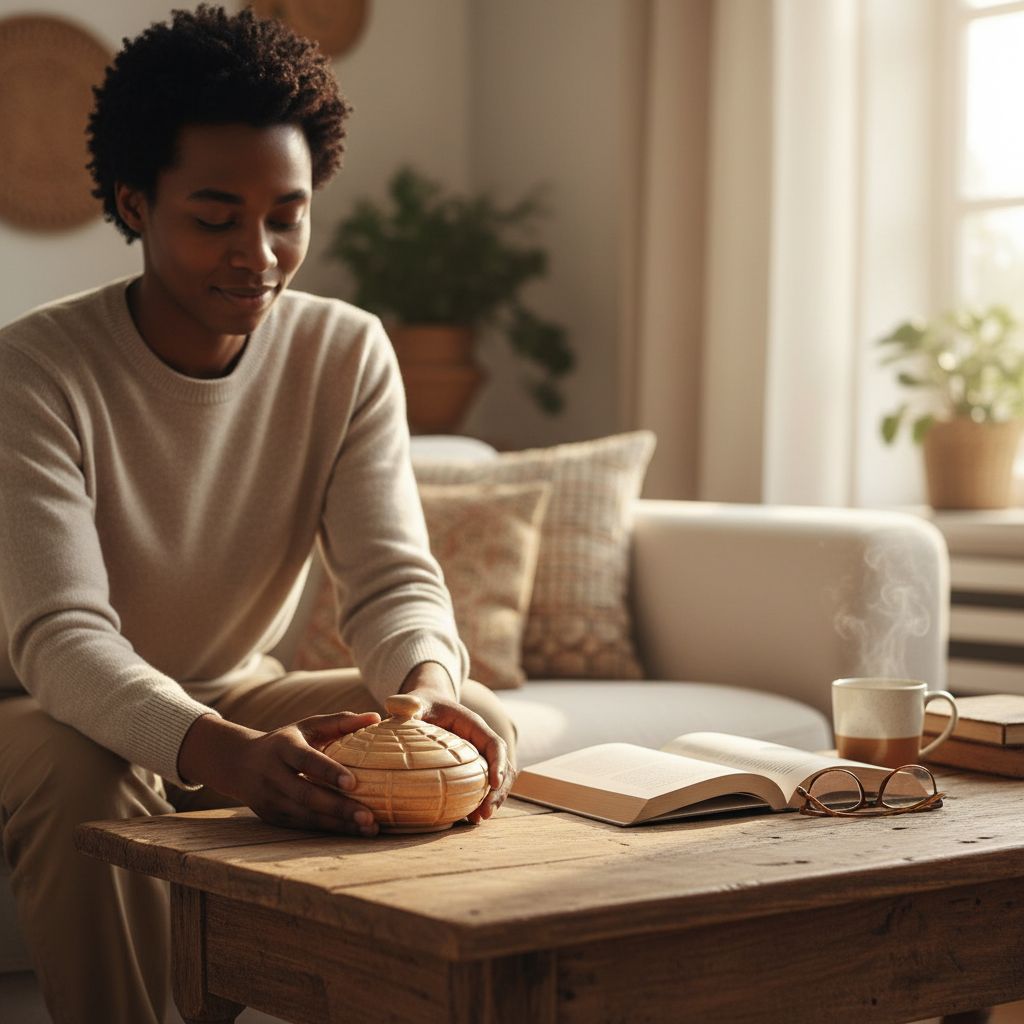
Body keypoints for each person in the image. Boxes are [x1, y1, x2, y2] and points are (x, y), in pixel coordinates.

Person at [0, 6, 515, 1023]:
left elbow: (392, 578)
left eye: (285, 214)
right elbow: (58, 639)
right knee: (83, 773)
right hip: (37, 712)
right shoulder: (34, 371)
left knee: (480, 725)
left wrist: (424, 688)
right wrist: (224, 753)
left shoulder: (346, 351)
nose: (260, 254)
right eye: (215, 216)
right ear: (135, 203)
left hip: (236, 693)